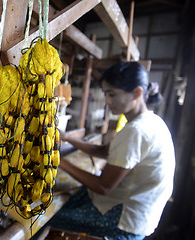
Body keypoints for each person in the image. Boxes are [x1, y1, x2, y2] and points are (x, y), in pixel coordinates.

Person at [48, 61, 175, 239]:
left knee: (45, 214)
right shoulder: (151, 121)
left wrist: (57, 160)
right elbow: (106, 151)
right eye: (106, 94)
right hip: (140, 209)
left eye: (112, 94)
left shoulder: (137, 131)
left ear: (137, 92)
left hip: (125, 218)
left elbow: (103, 186)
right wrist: (68, 138)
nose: (107, 101)